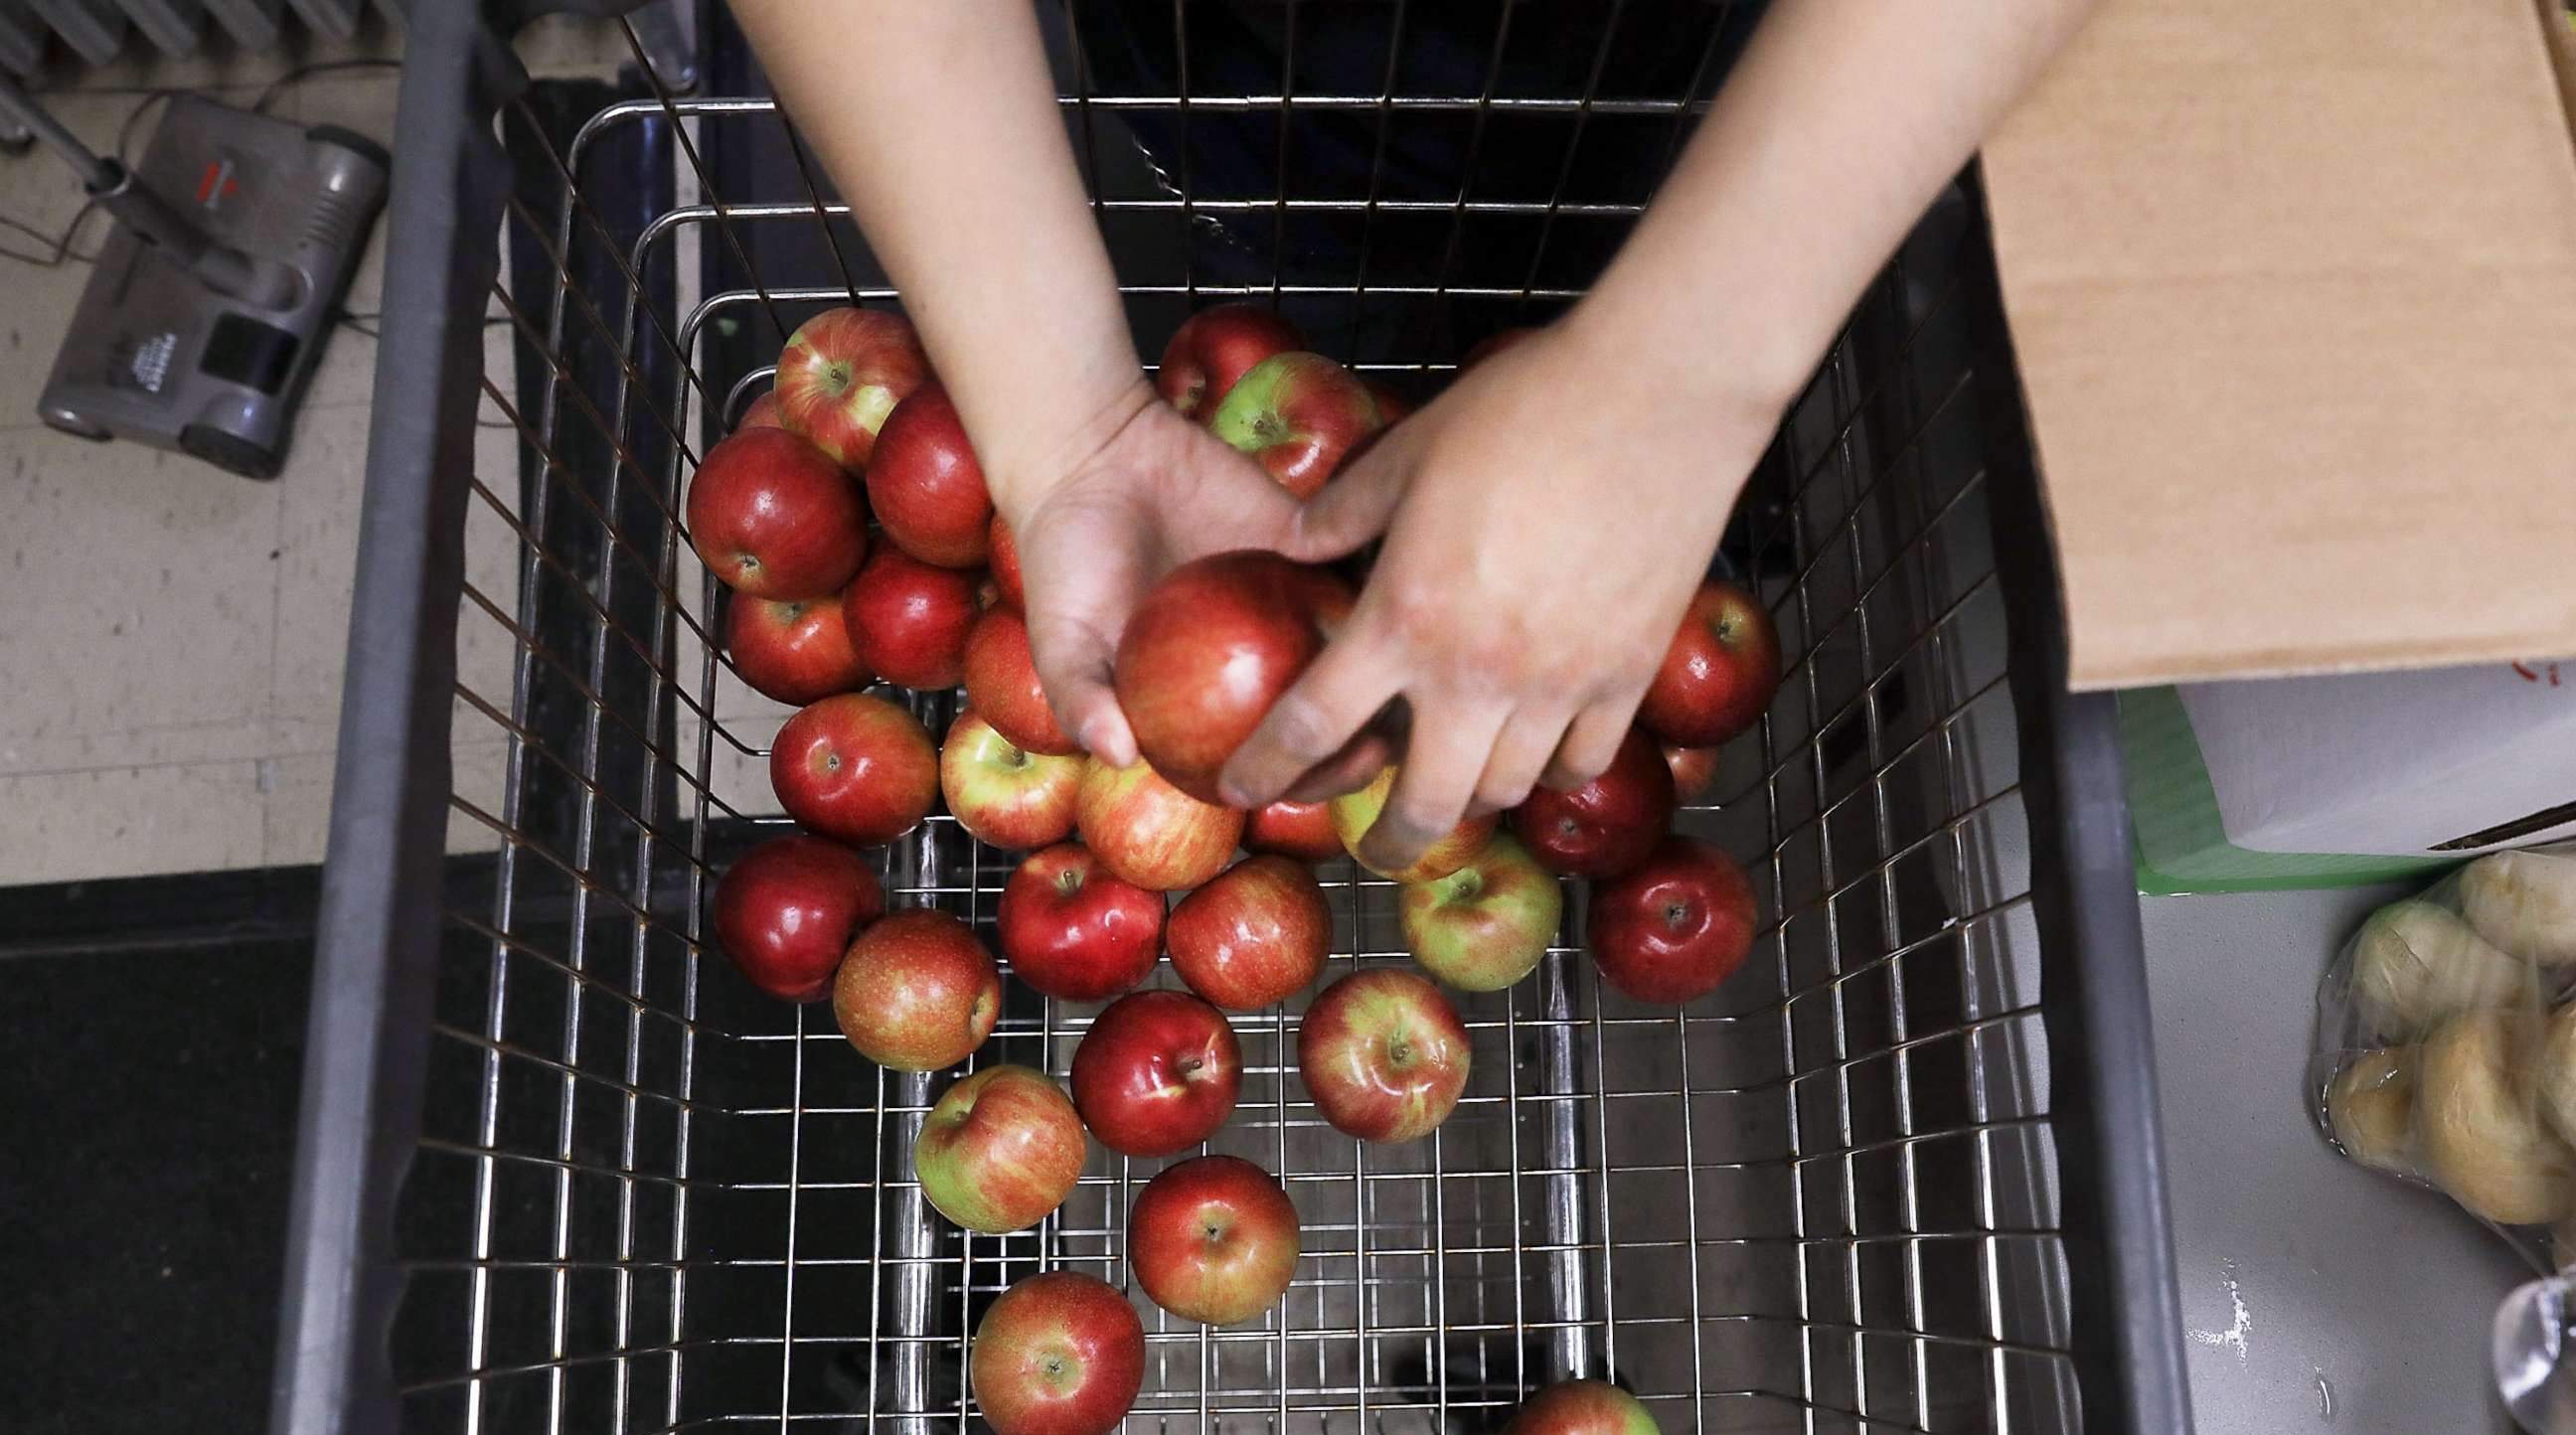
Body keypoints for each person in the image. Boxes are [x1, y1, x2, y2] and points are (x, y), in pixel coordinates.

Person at [734, 0, 2095, 875]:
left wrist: (1691, 364)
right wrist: (1062, 421)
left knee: (1568, 193)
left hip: (1637, 74)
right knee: (1289, 217)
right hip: (1223, 71)